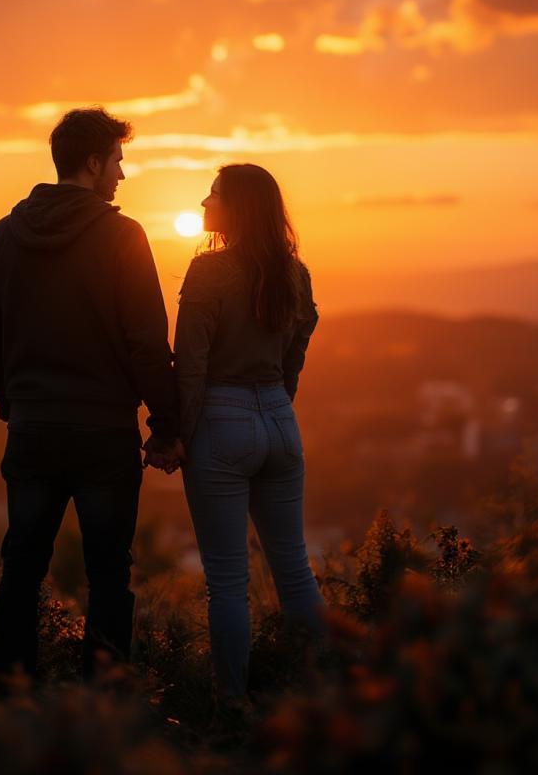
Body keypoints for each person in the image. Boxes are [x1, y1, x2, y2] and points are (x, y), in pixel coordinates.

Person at [0, 107, 182, 680]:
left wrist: (13, 400)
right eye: (117, 160)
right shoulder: (122, 237)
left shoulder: (4, 235)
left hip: (33, 430)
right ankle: (103, 707)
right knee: (109, 573)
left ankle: (10, 695)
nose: (122, 174)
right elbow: (147, 345)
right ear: (92, 162)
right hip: (104, 434)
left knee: (21, 567)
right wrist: (167, 425)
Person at [175, 163, 326, 706]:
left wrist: (177, 434)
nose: (203, 201)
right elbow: (296, 353)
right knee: (294, 568)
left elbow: (190, 366)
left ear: (235, 206)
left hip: (222, 418)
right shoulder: (294, 273)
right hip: (281, 419)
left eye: (213, 193)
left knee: (227, 581)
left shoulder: (208, 272)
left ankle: (232, 707)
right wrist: (276, 402)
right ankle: (323, 692)